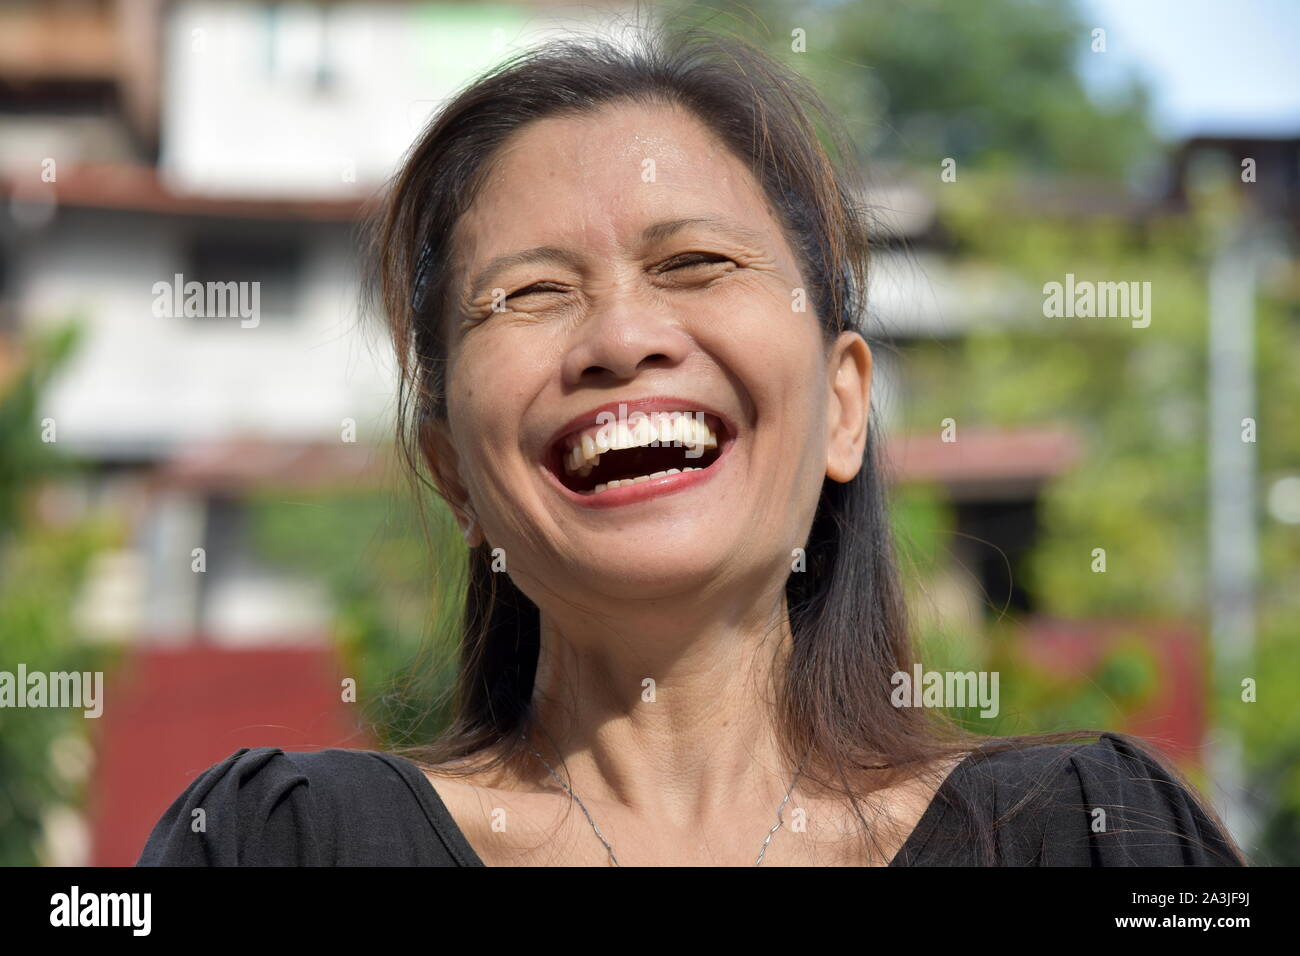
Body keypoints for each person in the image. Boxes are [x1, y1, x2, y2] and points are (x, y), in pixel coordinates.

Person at [138, 24, 1244, 867]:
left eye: (696, 264)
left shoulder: (1090, 836)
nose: (620, 338)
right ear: (451, 473)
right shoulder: (275, 844)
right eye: (529, 291)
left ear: (844, 406)